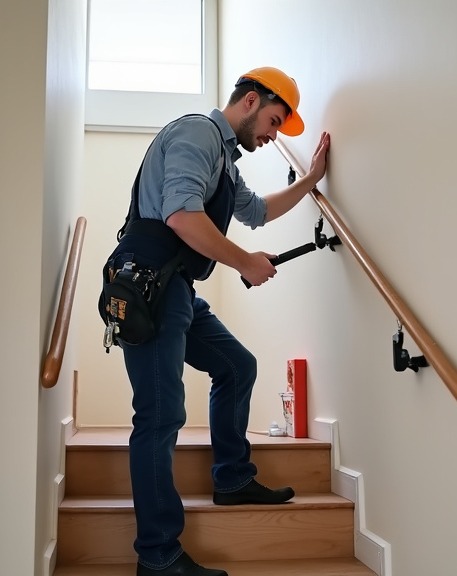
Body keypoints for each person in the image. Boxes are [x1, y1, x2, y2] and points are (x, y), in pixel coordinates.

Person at [99, 67, 330, 576]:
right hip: (150, 289)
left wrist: (311, 182)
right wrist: (245, 261)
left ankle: (231, 479)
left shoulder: (225, 159)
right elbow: (182, 215)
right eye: (273, 121)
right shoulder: (196, 133)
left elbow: (257, 212)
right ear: (250, 101)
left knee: (236, 367)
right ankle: (158, 556)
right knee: (159, 418)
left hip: (175, 289)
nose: (272, 137)